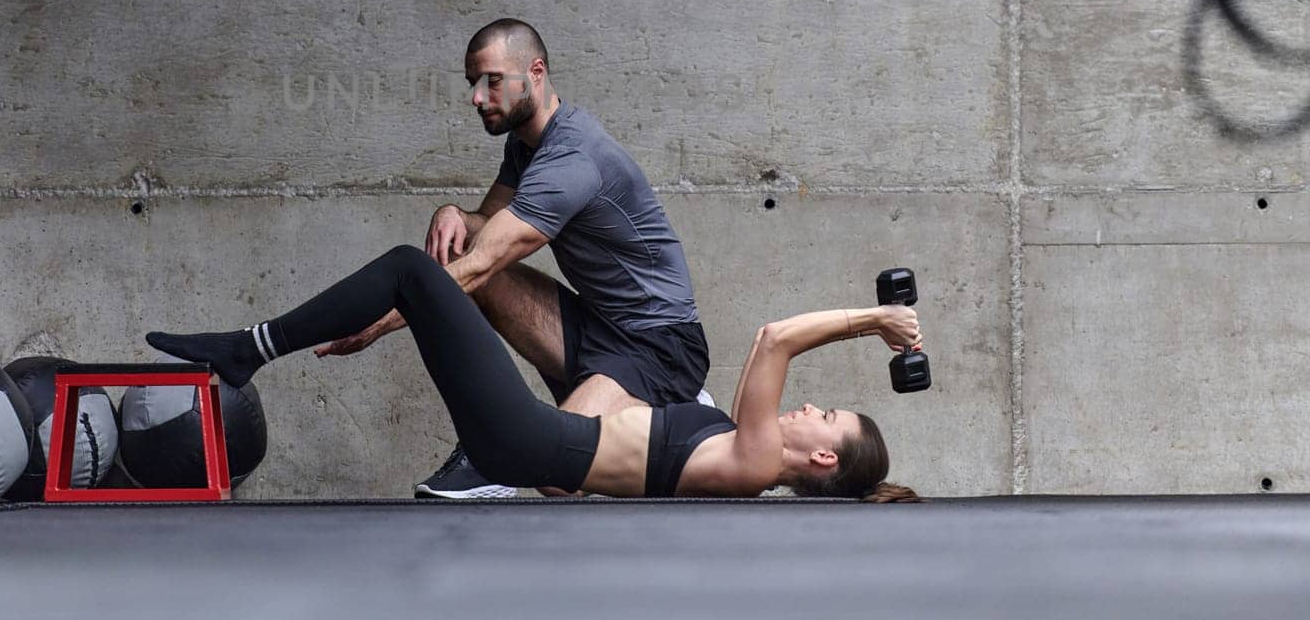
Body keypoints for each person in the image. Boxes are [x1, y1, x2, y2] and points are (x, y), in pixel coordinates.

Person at [146, 244, 921, 500]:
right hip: (542, 444)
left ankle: (247, 349)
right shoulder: (730, 447)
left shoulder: (753, 463)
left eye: (828, 417)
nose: (813, 407)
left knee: (417, 272)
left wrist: (873, 319)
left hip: (528, 438)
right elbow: (624, 428)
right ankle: (248, 349)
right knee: (419, 275)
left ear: (823, 457)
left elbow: (774, 338)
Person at [318, 18, 710, 498]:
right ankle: (496, 444)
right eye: (472, 84)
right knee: (461, 249)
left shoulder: (572, 157)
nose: (477, 97)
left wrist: (378, 322)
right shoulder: (526, 145)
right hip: (597, 329)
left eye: (492, 81)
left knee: (555, 478)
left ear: (536, 72)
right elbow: (485, 229)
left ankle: (670, 415)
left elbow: (483, 264)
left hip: (660, 346)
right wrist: (452, 212)